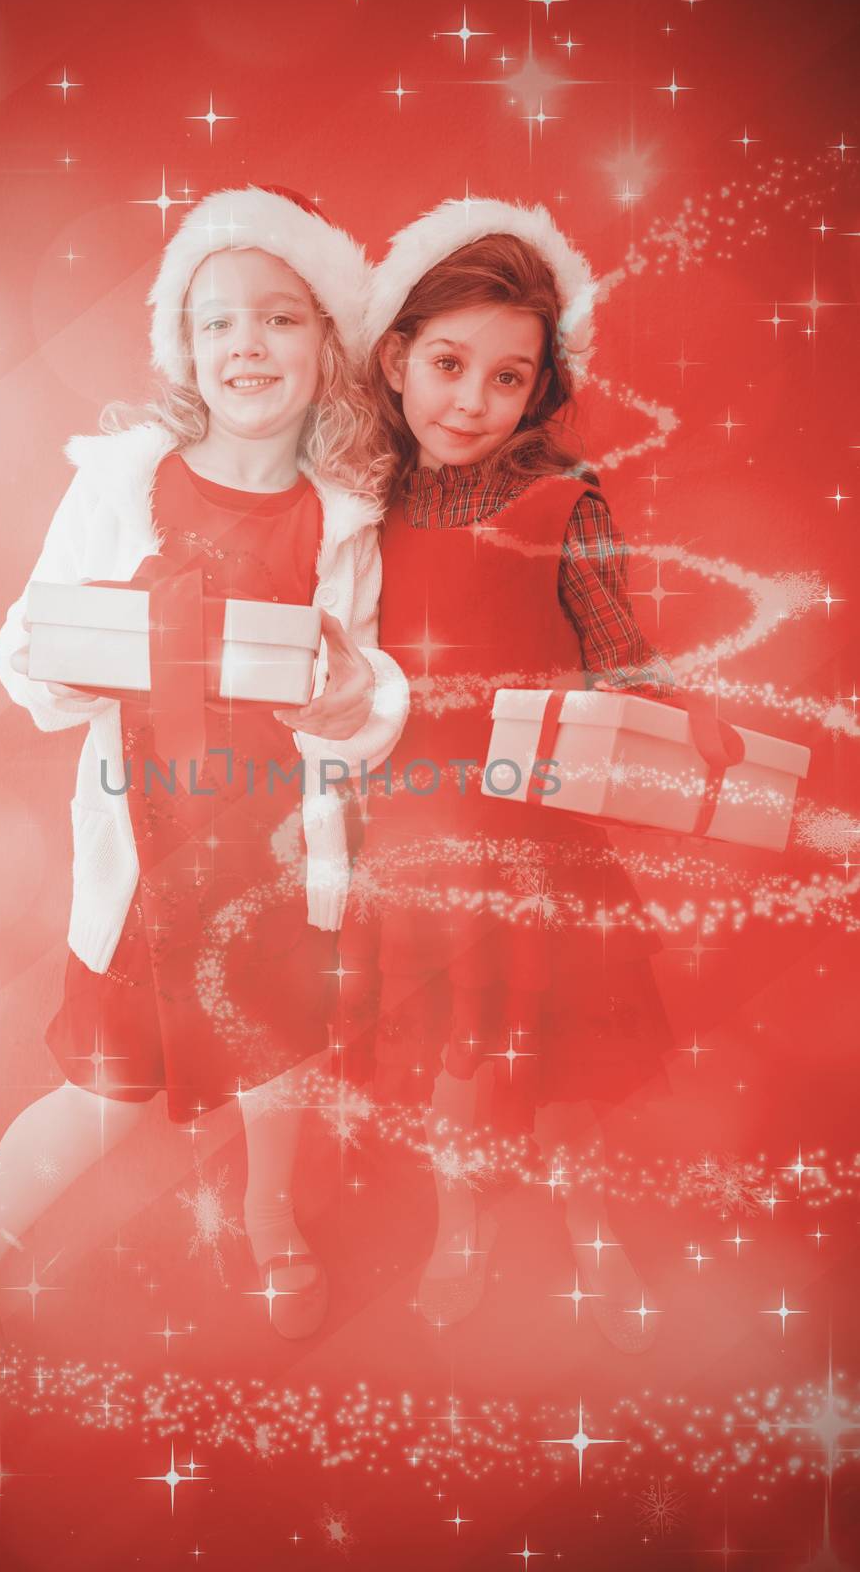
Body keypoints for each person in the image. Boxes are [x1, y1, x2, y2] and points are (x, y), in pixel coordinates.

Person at [0, 185, 409, 1365]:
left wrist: (355, 700)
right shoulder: (121, 482)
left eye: (281, 319)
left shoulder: (339, 517)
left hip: (276, 847)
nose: (249, 344)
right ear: (183, 345)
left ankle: (268, 1216)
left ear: (326, 342)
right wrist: (76, 649)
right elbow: (31, 640)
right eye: (219, 321)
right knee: (108, 1093)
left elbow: (367, 672)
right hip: (151, 850)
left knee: (279, 1055)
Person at [334, 197, 676, 1347]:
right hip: (414, 843)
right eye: (446, 364)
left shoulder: (560, 501)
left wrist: (641, 710)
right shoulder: (357, 510)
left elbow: (614, 643)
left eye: (506, 378)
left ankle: (590, 1229)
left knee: (563, 1056)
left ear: (539, 390)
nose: (468, 401)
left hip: (536, 836)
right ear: (395, 359)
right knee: (453, 1061)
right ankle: (458, 1230)